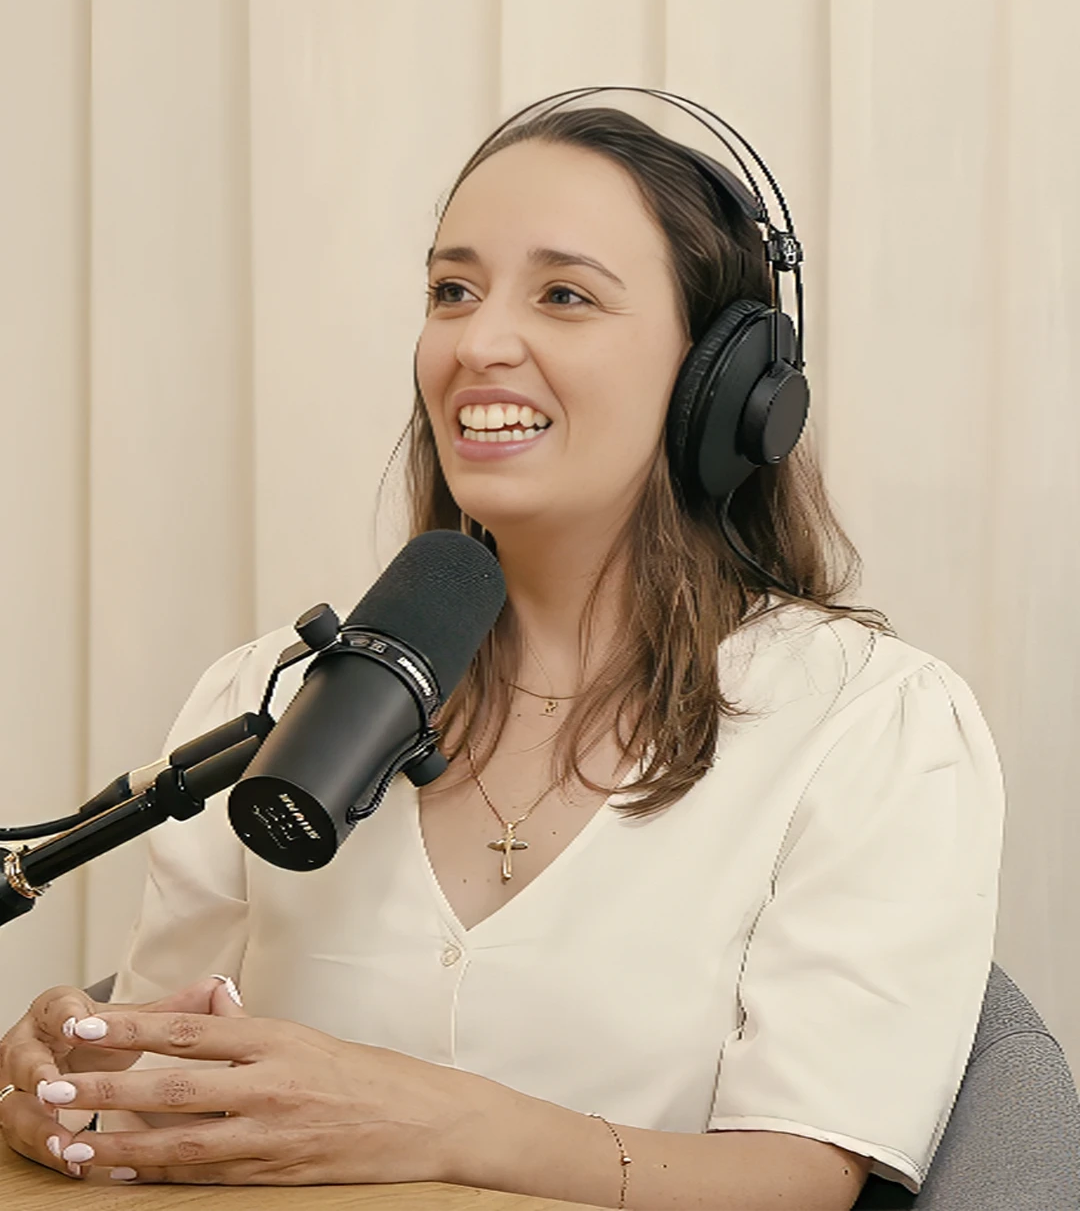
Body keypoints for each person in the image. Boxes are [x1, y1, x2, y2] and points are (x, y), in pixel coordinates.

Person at [0, 99, 1005, 1210]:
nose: (476, 343)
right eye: (452, 291)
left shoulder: (869, 724)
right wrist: (80, 1093)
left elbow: (803, 1176)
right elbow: (158, 1100)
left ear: (723, 380)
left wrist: (435, 1121)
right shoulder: (266, 695)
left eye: (565, 295)